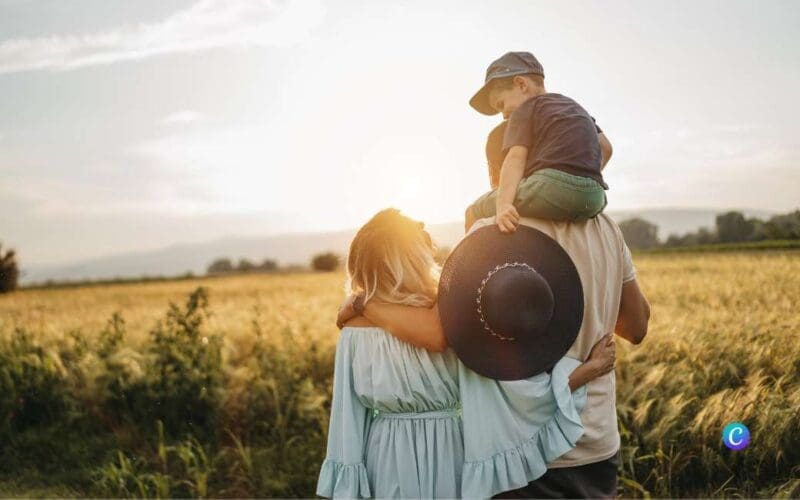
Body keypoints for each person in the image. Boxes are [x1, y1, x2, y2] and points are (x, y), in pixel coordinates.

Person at [337, 212, 651, 498]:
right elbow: (514, 397)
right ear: (412, 259)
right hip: (448, 461)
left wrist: (348, 485)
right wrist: (586, 370)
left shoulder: (352, 329)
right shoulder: (455, 329)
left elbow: (346, 418)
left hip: (383, 460)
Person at [465, 51, 614, 233]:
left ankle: (470, 260)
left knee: (474, 210)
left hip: (552, 188)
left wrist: (503, 206)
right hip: (594, 196)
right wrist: (580, 177)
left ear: (521, 84)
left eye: (501, 104)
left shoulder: (525, 109)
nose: (504, 115)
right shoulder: (574, 106)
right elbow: (606, 147)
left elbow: (515, 159)